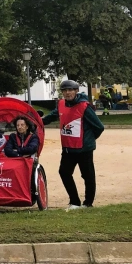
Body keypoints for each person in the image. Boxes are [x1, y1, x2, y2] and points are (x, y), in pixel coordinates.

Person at [41, 80, 104, 210]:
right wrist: (37, 122)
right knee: (64, 172)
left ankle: (88, 204)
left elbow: (99, 127)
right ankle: (75, 202)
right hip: (68, 148)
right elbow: (52, 117)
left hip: (84, 149)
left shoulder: (84, 107)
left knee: (88, 176)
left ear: (76, 91)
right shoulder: (61, 104)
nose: (67, 92)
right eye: (65, 90)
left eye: (70, 90)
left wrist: (89, 140)